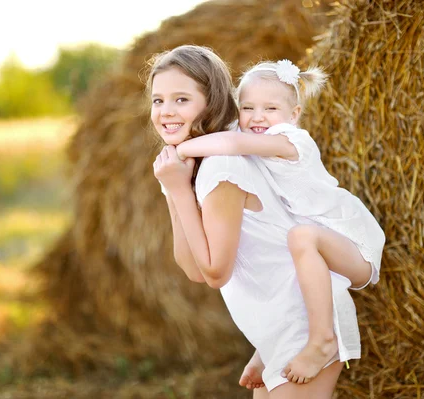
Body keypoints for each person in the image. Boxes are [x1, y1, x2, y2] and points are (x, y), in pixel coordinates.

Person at [149, 45, 361, 398]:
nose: (166, 111)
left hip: (304, 325)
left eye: (181, 100)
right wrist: (174, 190)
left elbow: (216, 273)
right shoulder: (197, 166)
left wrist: (181, 194)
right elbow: (193, 269)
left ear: (212, 102)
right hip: (273, 332)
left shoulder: (223, 167)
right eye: (158, 100)